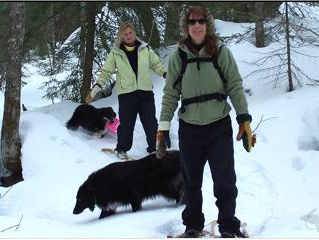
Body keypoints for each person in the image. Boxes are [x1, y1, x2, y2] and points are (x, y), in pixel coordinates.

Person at [156, 6, 254, 238]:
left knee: (224, 182)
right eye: (192, 22)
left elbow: (235, 86)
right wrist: (163, 127)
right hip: (190, 129)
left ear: (207, 24)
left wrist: (244, 120)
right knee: (191, 183)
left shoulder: (220, 52)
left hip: (218, 126)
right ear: (186, 26)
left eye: (201, 21)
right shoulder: (179, 56)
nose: (197, 25)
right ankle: (192, 226)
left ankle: (229, 227)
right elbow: (170, 93)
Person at [86, 22, 167, 160]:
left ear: (135, 33)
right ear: (121, 36)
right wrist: (98, 86)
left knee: (150, 122)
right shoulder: (116, 53)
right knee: (126, 124)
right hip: (127, 95)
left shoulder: (145, 48)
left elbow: (156, 64)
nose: (129, 35)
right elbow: (106, 71)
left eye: (131, 32)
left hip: (145, 93)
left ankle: (154, 149)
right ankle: (121, 149)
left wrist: (165, 74)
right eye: (125, 33)